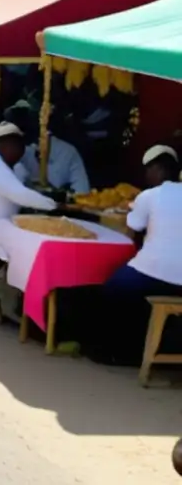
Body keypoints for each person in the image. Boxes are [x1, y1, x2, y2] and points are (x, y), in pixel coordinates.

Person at [65, 145, 182, 366]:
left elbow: (133, 225)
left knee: (112, 288)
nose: (146, 176)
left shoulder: (149, 196)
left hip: (152, 271)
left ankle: (114, 352)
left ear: (157, 170)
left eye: (148, 170)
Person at [0, 121, 57, 253]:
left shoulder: (2, 163)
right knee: (38, 242)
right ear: (7, 145)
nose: (22, 151)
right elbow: (22, 195)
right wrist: (55, 205)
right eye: (19, 146)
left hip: (4, 226)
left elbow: (25, 185)